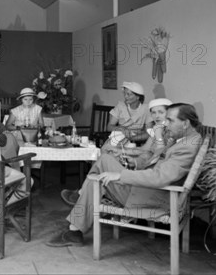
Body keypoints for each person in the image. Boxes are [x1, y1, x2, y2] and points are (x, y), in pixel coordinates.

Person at [47, 103, 203, 247]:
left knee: (97, 179)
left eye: (170, 120)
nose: (166, 124)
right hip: (147, 189)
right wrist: (133, 163)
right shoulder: (184, 140)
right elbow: (153, 159)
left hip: (152, 197)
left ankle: (76, 224)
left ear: (186, 123)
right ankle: (76, 217)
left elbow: (159, 177)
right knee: (105, 160)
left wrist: (121, 175)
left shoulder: (187, 147)